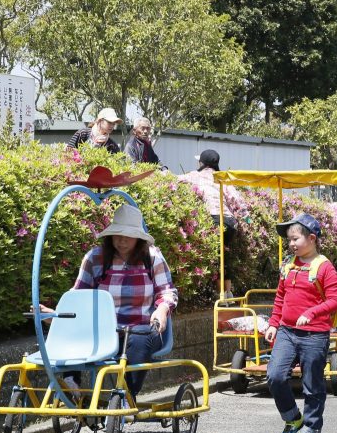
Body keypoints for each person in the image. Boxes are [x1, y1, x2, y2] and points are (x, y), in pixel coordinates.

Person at [38, 203, 177, 399]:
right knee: (68, 330)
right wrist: (57, 315)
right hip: (102, 331)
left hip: (140, 329)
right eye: (117, 235)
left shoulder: (152, 257)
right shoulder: (95, 258)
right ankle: (70, 384)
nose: (121, 241)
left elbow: (167, 291)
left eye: (127, 235)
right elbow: (79, 296)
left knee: (139, 340)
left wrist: (162, 309)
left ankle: (126, 395)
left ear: (138, 237)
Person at [265, 213, 337, 433]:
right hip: (287, 332)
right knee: (275, 376)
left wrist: (312, 312)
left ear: (311, 238)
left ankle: (311, 431)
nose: (291, 244)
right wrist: (273, 324)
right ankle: (292, 418)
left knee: (312, 386)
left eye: (295, 239)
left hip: (314, 335)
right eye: (289, 240)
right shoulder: (288, 265)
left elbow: (335, 300)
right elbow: (280, 298)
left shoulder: (324, 267)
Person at [178, 149, 239, 298]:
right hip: (230, 222)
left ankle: (220, 295)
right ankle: (228, 293)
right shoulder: (222, 177)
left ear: (201, 163)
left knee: (217, 256)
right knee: (225, 255)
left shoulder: (195, 176)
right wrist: (247, 218)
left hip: (214, 219)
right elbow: (236, 200)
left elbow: (174, 179)